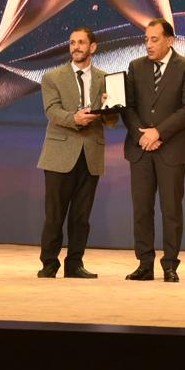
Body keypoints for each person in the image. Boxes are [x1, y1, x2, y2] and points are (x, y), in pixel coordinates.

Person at [122, 17, 185, 282]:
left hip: (172, 149)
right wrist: (142, 136)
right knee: (142, 209)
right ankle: (144, 264)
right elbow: (128, 107)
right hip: (141, 149)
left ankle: (170, 265)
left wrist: (159, 133)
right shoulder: (136, 67)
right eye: (146, 39)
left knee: (171, 210)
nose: (149, 45)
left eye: (154, 40)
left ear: (170, 40)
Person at [36, 27, 117, 278]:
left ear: (92, 47)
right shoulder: (52, 77)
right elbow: (52, 110)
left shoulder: (106, 79)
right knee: (55, 214)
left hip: (90, 153)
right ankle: (49, 264)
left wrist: (109, 106)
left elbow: (112, 120)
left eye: (81, 42)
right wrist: (74, 119)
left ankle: (75, 264)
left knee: (81, 216)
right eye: (72, 42)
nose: (76, 47)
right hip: (59, 154)